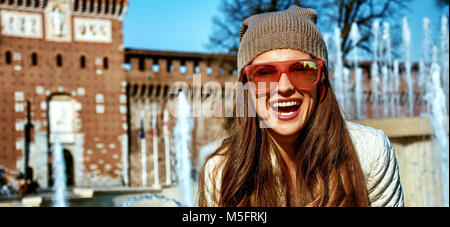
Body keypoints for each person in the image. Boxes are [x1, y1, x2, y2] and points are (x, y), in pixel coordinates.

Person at [198, 6, 404, 207]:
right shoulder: (221, 173)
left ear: (322, 81)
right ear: (247, 87)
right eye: (265, 73)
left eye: (302, 69)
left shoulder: (369, 153)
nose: (285, 87)